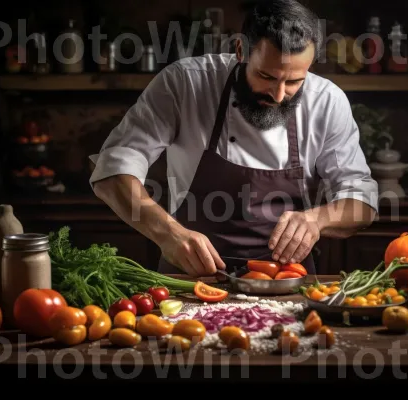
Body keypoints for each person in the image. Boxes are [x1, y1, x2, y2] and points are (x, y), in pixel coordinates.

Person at [89, 0, 379, 277]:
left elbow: (362, 201)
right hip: (191, 279)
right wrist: (168, 233)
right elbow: (114, 169)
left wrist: (317, 220)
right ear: (241, 50)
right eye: (266, 76)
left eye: (293, 81)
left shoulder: (327, 101)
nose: (278, 95)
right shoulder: (185, 83)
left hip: (285, 281)